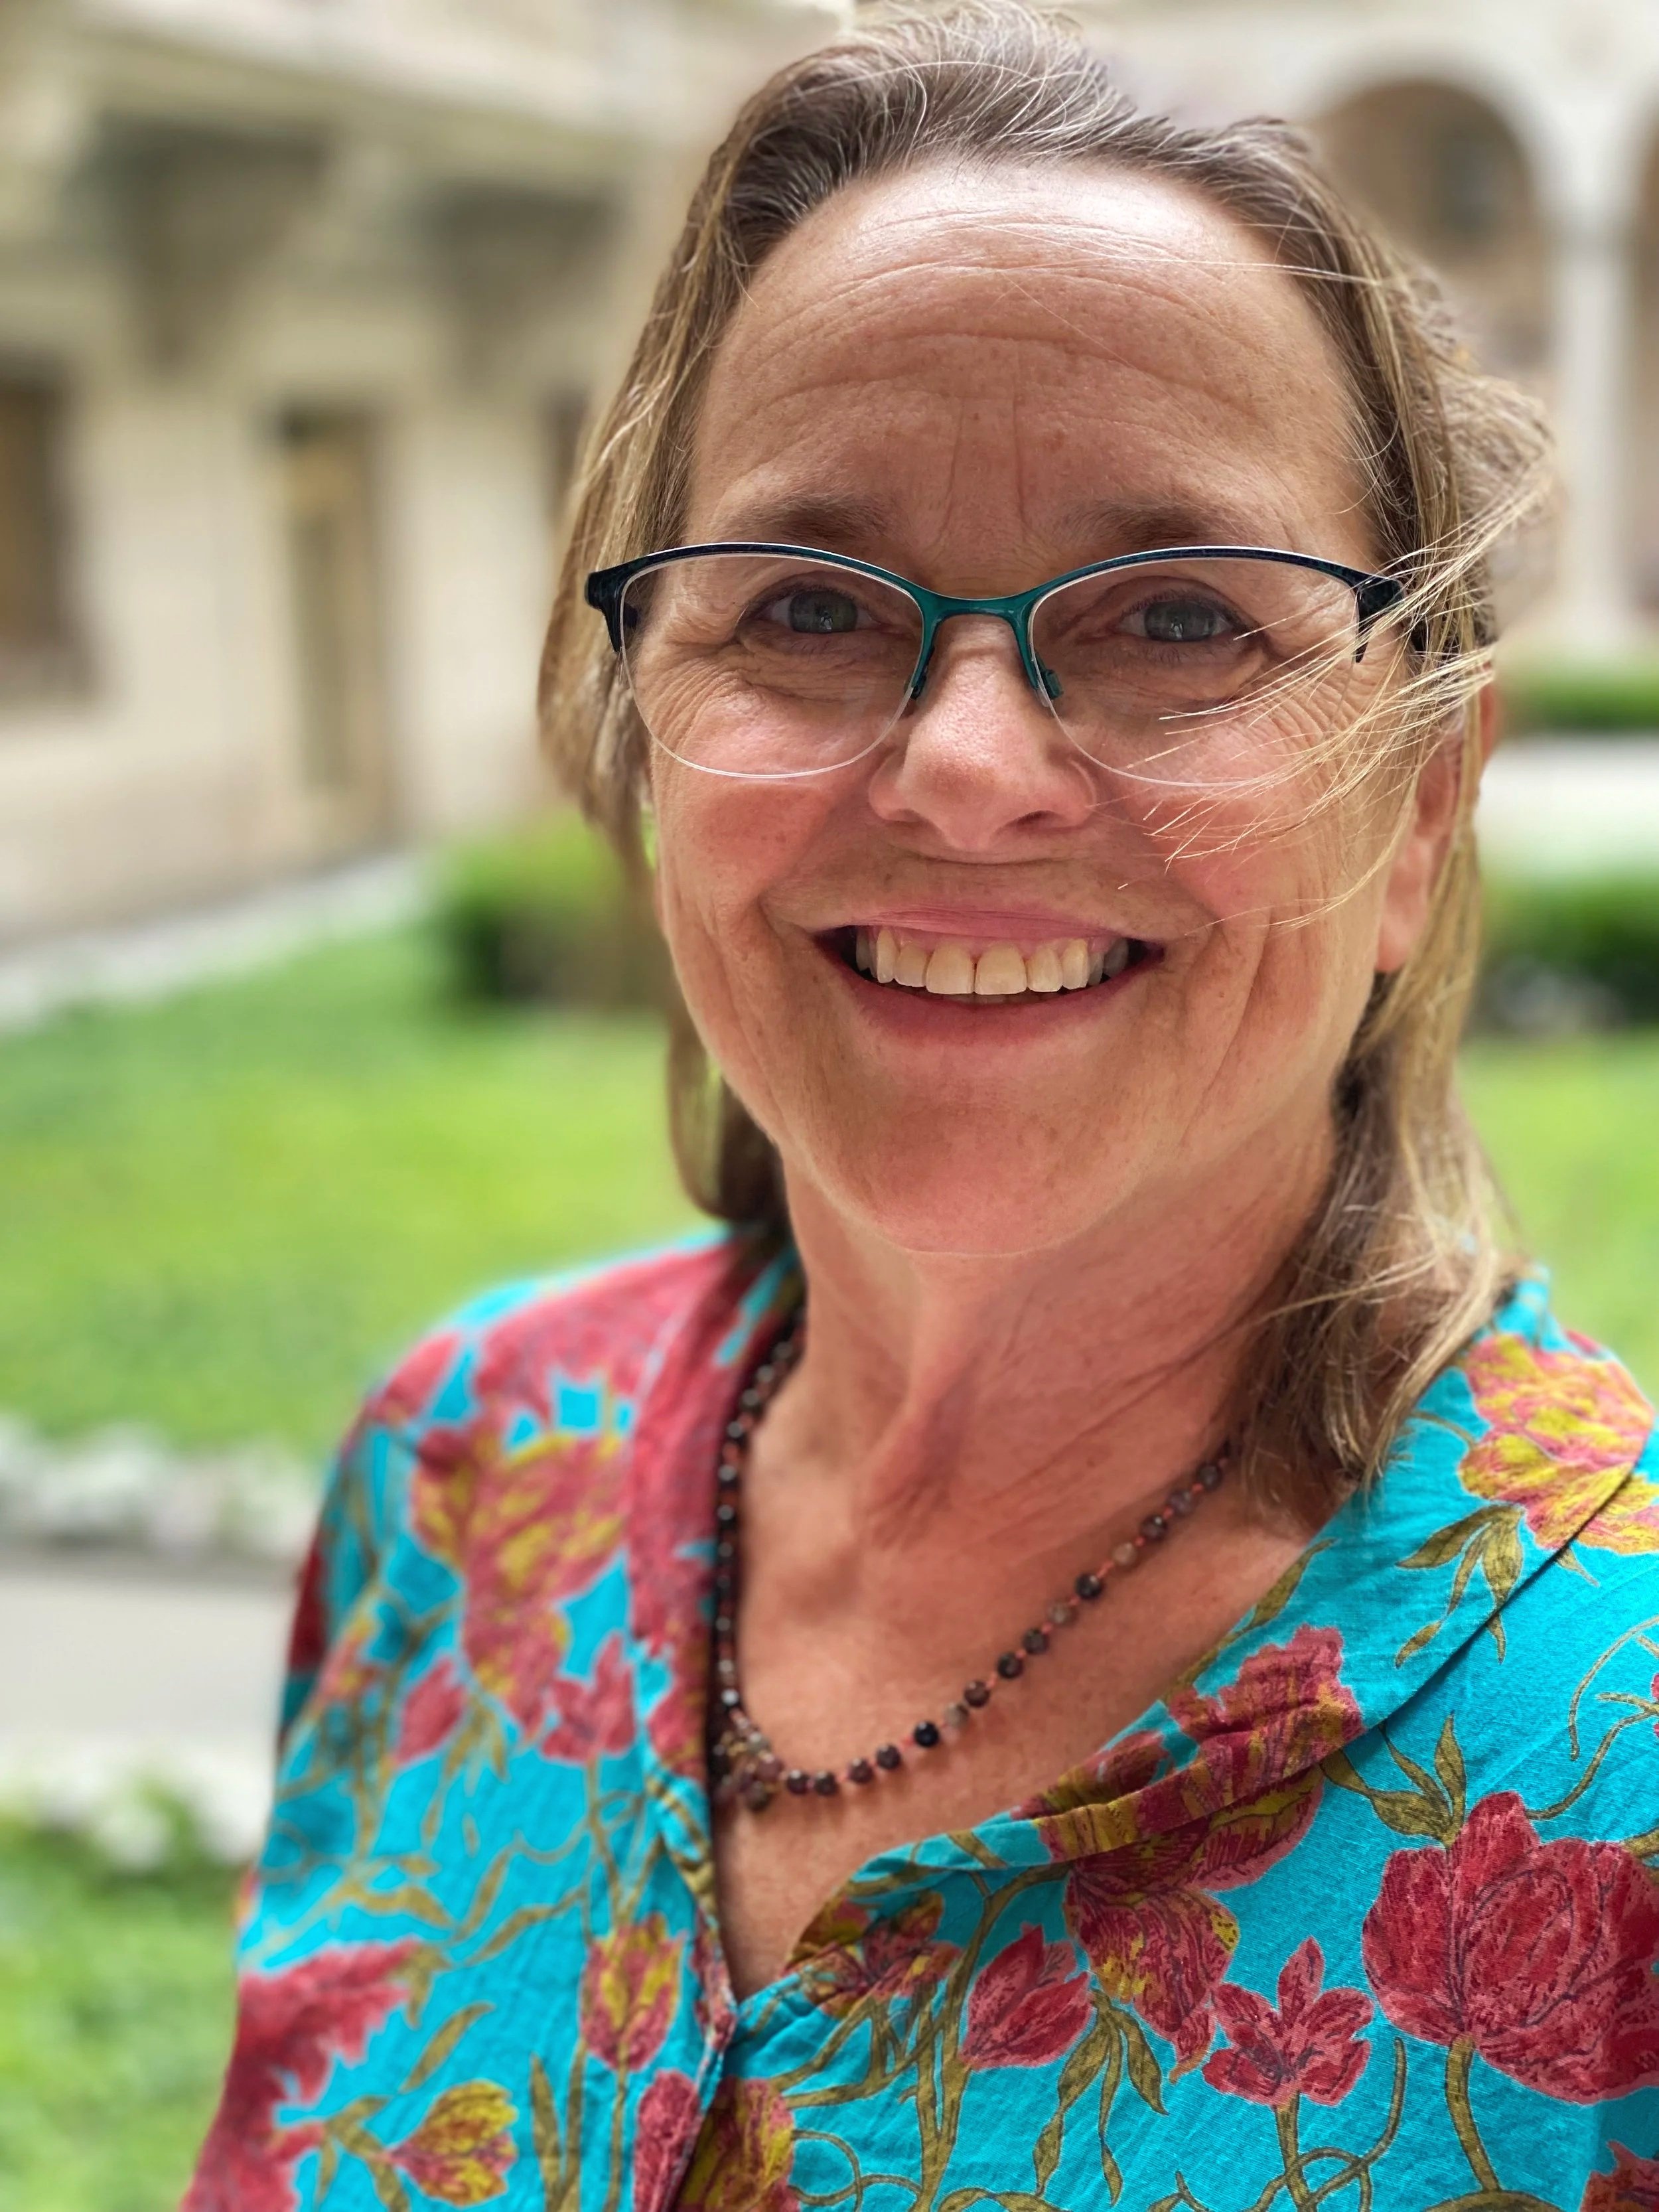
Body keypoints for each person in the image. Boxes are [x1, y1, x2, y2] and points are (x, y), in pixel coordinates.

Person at [186, 9, 1659, 2207]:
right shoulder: (463, 1469)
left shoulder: (1616, 1731)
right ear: (652, 743)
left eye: (1175, 616)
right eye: (804, 605)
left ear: (1422, 807)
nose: (968, 766)